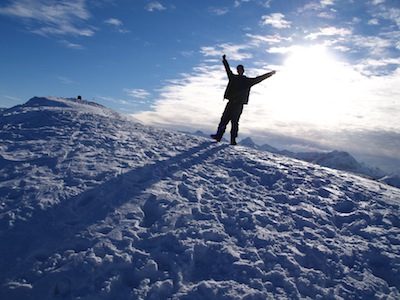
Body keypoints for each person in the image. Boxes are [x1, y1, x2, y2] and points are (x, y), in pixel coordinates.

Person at [211, 54, 276, 145]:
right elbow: (227, 69)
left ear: (243, 71)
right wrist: (224, 60)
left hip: (238, 105)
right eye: (238, 69)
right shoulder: (234, 78)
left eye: (240, 69)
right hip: (231, 103)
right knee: (224, 120)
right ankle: (219, 136)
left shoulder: (247, 81)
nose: (239, 71)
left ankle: (232, 140)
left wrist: (270, 74)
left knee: (234, 122)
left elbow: (259, 78)